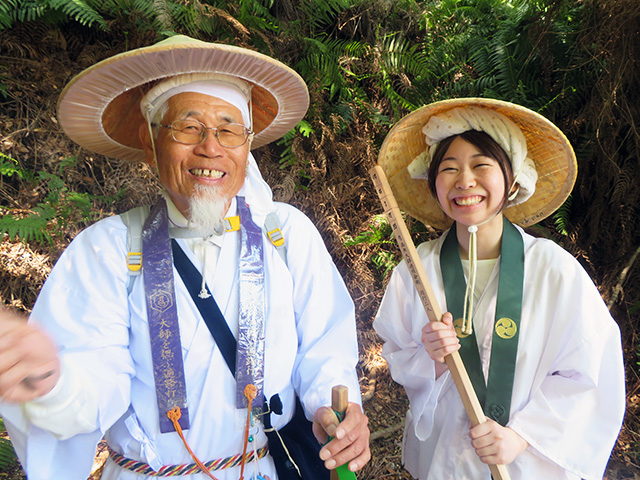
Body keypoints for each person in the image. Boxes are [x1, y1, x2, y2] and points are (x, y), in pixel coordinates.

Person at [0, 35, 370, 480]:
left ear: (247, 144)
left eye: (229, 130)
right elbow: (93, 380)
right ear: (150, 140)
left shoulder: (285, 234)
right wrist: (47, 379)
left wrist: (336, 409)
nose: (211, 148)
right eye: (188, 127)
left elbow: (325, 349)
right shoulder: (107, 249)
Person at [373, 98, 625, 479]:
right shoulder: (416, 268)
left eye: (481, 165)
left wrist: (522, 436)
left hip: (525, 466)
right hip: (442, 464)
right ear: (433, 182)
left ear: (513, 179)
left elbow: (589, 372)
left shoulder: (554, 271)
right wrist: (432, 359)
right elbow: (398, 354)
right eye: (449, 168)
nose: (464, 181)